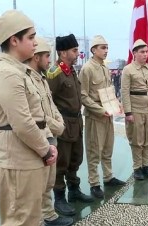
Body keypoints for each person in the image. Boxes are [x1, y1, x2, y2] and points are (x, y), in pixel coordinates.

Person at [0, 10, 58, 225]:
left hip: (26, 155)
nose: (36, 43)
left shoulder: (18, 71)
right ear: (14, 40)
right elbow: (23, 123)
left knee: (31, 218)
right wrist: (45, 150)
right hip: (18, 158)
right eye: (31, 37)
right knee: (21, 220)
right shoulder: (8, 74)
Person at [25, 37, 73, 226]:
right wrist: (56, 125)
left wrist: (58, 123)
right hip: (41, 136)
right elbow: (37, 114)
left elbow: (51, 107)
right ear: (36, 57)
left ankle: (49, 214)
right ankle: (40, 218)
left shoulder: (43, 79)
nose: (49, 60)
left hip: (51, 135)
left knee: (49, 181)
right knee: (39, 183)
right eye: (46, 56)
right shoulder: (27, 78)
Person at [47, 34, 94, 216]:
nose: (77, 53)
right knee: (62, 162)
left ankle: (74, 190)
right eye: (74, 50)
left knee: (75, 158)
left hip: (76, 122)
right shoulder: (55, 73)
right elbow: (47, 101)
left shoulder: (71, 70)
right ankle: (60, 198)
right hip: (64, 124)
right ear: (63, 52)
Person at [79, 35, 126, 199]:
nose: (106, 51)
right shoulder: (87, 69)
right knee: (94, 150)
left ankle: (108, 176)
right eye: (102, 48)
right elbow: (83, 96)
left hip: (108, 114)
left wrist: (117, 103)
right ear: (93, 50)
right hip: (95, 115)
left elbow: (109, 90)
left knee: (107, 147)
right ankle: (94, 183)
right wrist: (99, 110)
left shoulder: (105, 68)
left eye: (107, 47)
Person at [121, 39, 148, 180]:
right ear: (134, 53)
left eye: (146, 52)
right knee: (136, 140)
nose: (145, 54)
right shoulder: (128, 70)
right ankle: (137, 167)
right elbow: (124, 92)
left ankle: (146, 166)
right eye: (142, 52)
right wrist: (128, 112)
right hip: (136, 109)